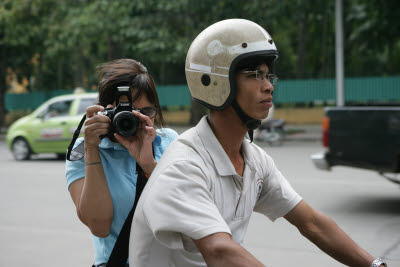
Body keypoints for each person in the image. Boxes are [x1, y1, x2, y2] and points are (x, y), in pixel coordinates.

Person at [128, 19, 388, 267]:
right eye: (255, 75)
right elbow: (219, 251)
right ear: (215, 82)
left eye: (268, 77)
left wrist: (376, 264)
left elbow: (311, 223)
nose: (268, 87)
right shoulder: (184, 167)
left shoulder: (254, 160)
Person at [65, 59, 178, 267]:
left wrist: (149, 166)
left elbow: (186, 209)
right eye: (126, 113)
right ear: (105, 112)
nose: (135, 121)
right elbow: (99, 227)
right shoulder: (83, 151)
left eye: (146, 113)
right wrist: (92, 149)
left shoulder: (168, 141)